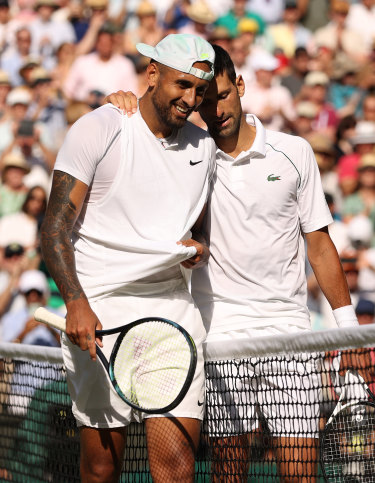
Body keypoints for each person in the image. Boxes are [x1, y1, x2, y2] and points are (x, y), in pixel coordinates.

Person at [106, 44, 360, 482]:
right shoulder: (189, 153)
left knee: (300, 473)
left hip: (289, 334)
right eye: (204, 101)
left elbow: (319, 244)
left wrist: (349, 328)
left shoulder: (294, 152)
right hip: (219, 335)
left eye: (222, 95)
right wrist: (118, 105)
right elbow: (140, 132)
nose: (214, 109)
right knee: (229, 474)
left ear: (240, 86)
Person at [40, 33, 216, 482]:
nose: (190, 99)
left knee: (176, 467)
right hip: (98, 314)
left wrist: (197, 250)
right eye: (182, 85)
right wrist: (76, 301)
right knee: (101, 469)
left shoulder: (205, 148)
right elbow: (55, 226)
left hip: (173, 315)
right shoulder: (98, 127)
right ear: (152, 74)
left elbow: (196, 231)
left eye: (199, 90)